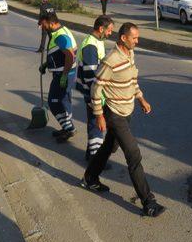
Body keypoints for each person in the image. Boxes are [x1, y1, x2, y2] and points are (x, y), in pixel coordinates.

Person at [82, 22, 165, 217]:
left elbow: (131, 80)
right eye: (134, 38)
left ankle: (90, 178)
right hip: (114, 113)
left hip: (128, 110)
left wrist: (141, 98)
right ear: (123, 38)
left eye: (137, 37)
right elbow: (96, 88)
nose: (137, 41)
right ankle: (148, 202)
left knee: (109, 147)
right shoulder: (111, 60)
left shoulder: (130, 54)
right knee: (133, 154)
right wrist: (99, 115)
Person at [76, 15, 114, 160]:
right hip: (93, 91)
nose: (110, 34)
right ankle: (95, 158)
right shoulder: (90, 46)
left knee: (94, 123)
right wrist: (97, 97)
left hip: (93, 90)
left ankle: (90, 152)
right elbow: (91, 75)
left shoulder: (96, 41)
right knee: (97, 125)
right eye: (109, 30)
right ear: (101, 29)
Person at [39, 12, 78, 141]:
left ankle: (69, 129)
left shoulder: (60, 36)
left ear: (51, 23)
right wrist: (46, 64)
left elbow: (70, 56)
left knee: (54, 102)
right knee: (64, 102)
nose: (42, 27)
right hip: (65, 73)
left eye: (43, 24)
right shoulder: (61, 31)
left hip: (64, 74)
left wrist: (64, 76)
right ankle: (66, 127)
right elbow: (59, 54)